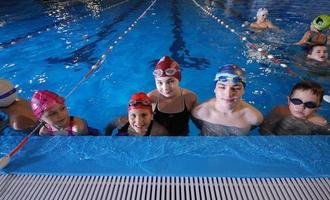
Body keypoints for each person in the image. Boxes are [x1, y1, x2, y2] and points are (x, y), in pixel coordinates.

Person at [192, 64, 263, 136]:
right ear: (215, 89)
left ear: (243, 91)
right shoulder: (200, 112)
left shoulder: (254, 118)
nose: (228, 94)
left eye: (236, 88)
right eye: (222, 87)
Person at [148, 56, 197, 136]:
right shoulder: (151, 98)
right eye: (159, 82)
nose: (165, 88)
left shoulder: (190, 97)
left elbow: (199, 123)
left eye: (170, 81)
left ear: (179, 79)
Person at [260, 81, 330, 135]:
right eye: (296, 101)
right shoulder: (280, 111)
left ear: (317, 108)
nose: (301, 107)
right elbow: (265, 129)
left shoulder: (319, 122)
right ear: (289, 101)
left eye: (309, 104)